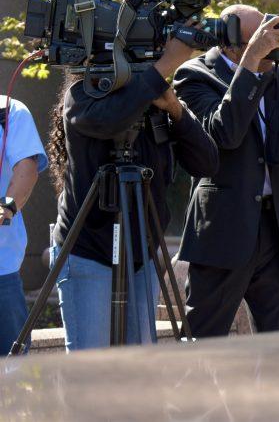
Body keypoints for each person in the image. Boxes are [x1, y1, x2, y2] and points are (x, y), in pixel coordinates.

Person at [173, 5, 279, 337]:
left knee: (277, 346)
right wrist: (250, 65)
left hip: (273, 231)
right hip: (223, 232)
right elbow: (222, 136)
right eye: (259, 39)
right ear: (233, 40)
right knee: (203, 339)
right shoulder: (195, 75)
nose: (271, 45)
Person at [49, 40, 219, 351]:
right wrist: (163, 67)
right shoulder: (82, 96)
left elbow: (207, 163)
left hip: (143, 249)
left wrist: (176, 111)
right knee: (91, 368)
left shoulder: (154, 101)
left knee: (140, 367)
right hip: (88, 249)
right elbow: (112, 117)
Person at [0, 96, 48, 355]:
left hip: (1, 273)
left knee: (10, 374)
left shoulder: (9, 111)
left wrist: (3, 209)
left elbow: (27, 169)